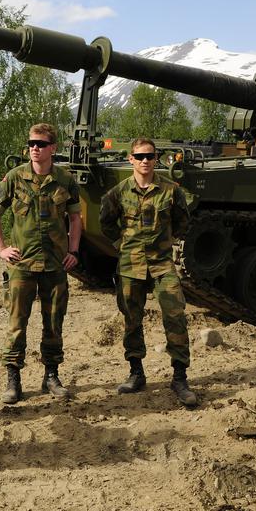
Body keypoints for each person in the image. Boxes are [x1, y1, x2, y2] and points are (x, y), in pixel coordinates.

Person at [0, 123, 82, 404]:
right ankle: (13, 379)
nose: (34, 148)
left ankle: (51, 376)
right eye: (31, 143)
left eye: (40, 144)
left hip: (55, 266)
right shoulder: (14, 179)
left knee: (54, 323)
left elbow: (76, 218)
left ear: (53, 147)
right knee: (17, 323)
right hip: (22, 266)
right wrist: (1, 248)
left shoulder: (65, 180)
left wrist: (74, 251)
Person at [98, 138, 197, 405]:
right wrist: (121, 244)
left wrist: (167, 242)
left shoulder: (170, 191)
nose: (145, 161)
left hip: (162, 264)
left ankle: (179, 376)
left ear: (156, 159)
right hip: (131, 265)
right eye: (140, 156)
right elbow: (105, 221)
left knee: (175, 316)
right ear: (130, 159)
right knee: (131, 319)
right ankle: (136, 373)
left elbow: (183, 222)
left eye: (150, 157)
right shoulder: (118, 192)